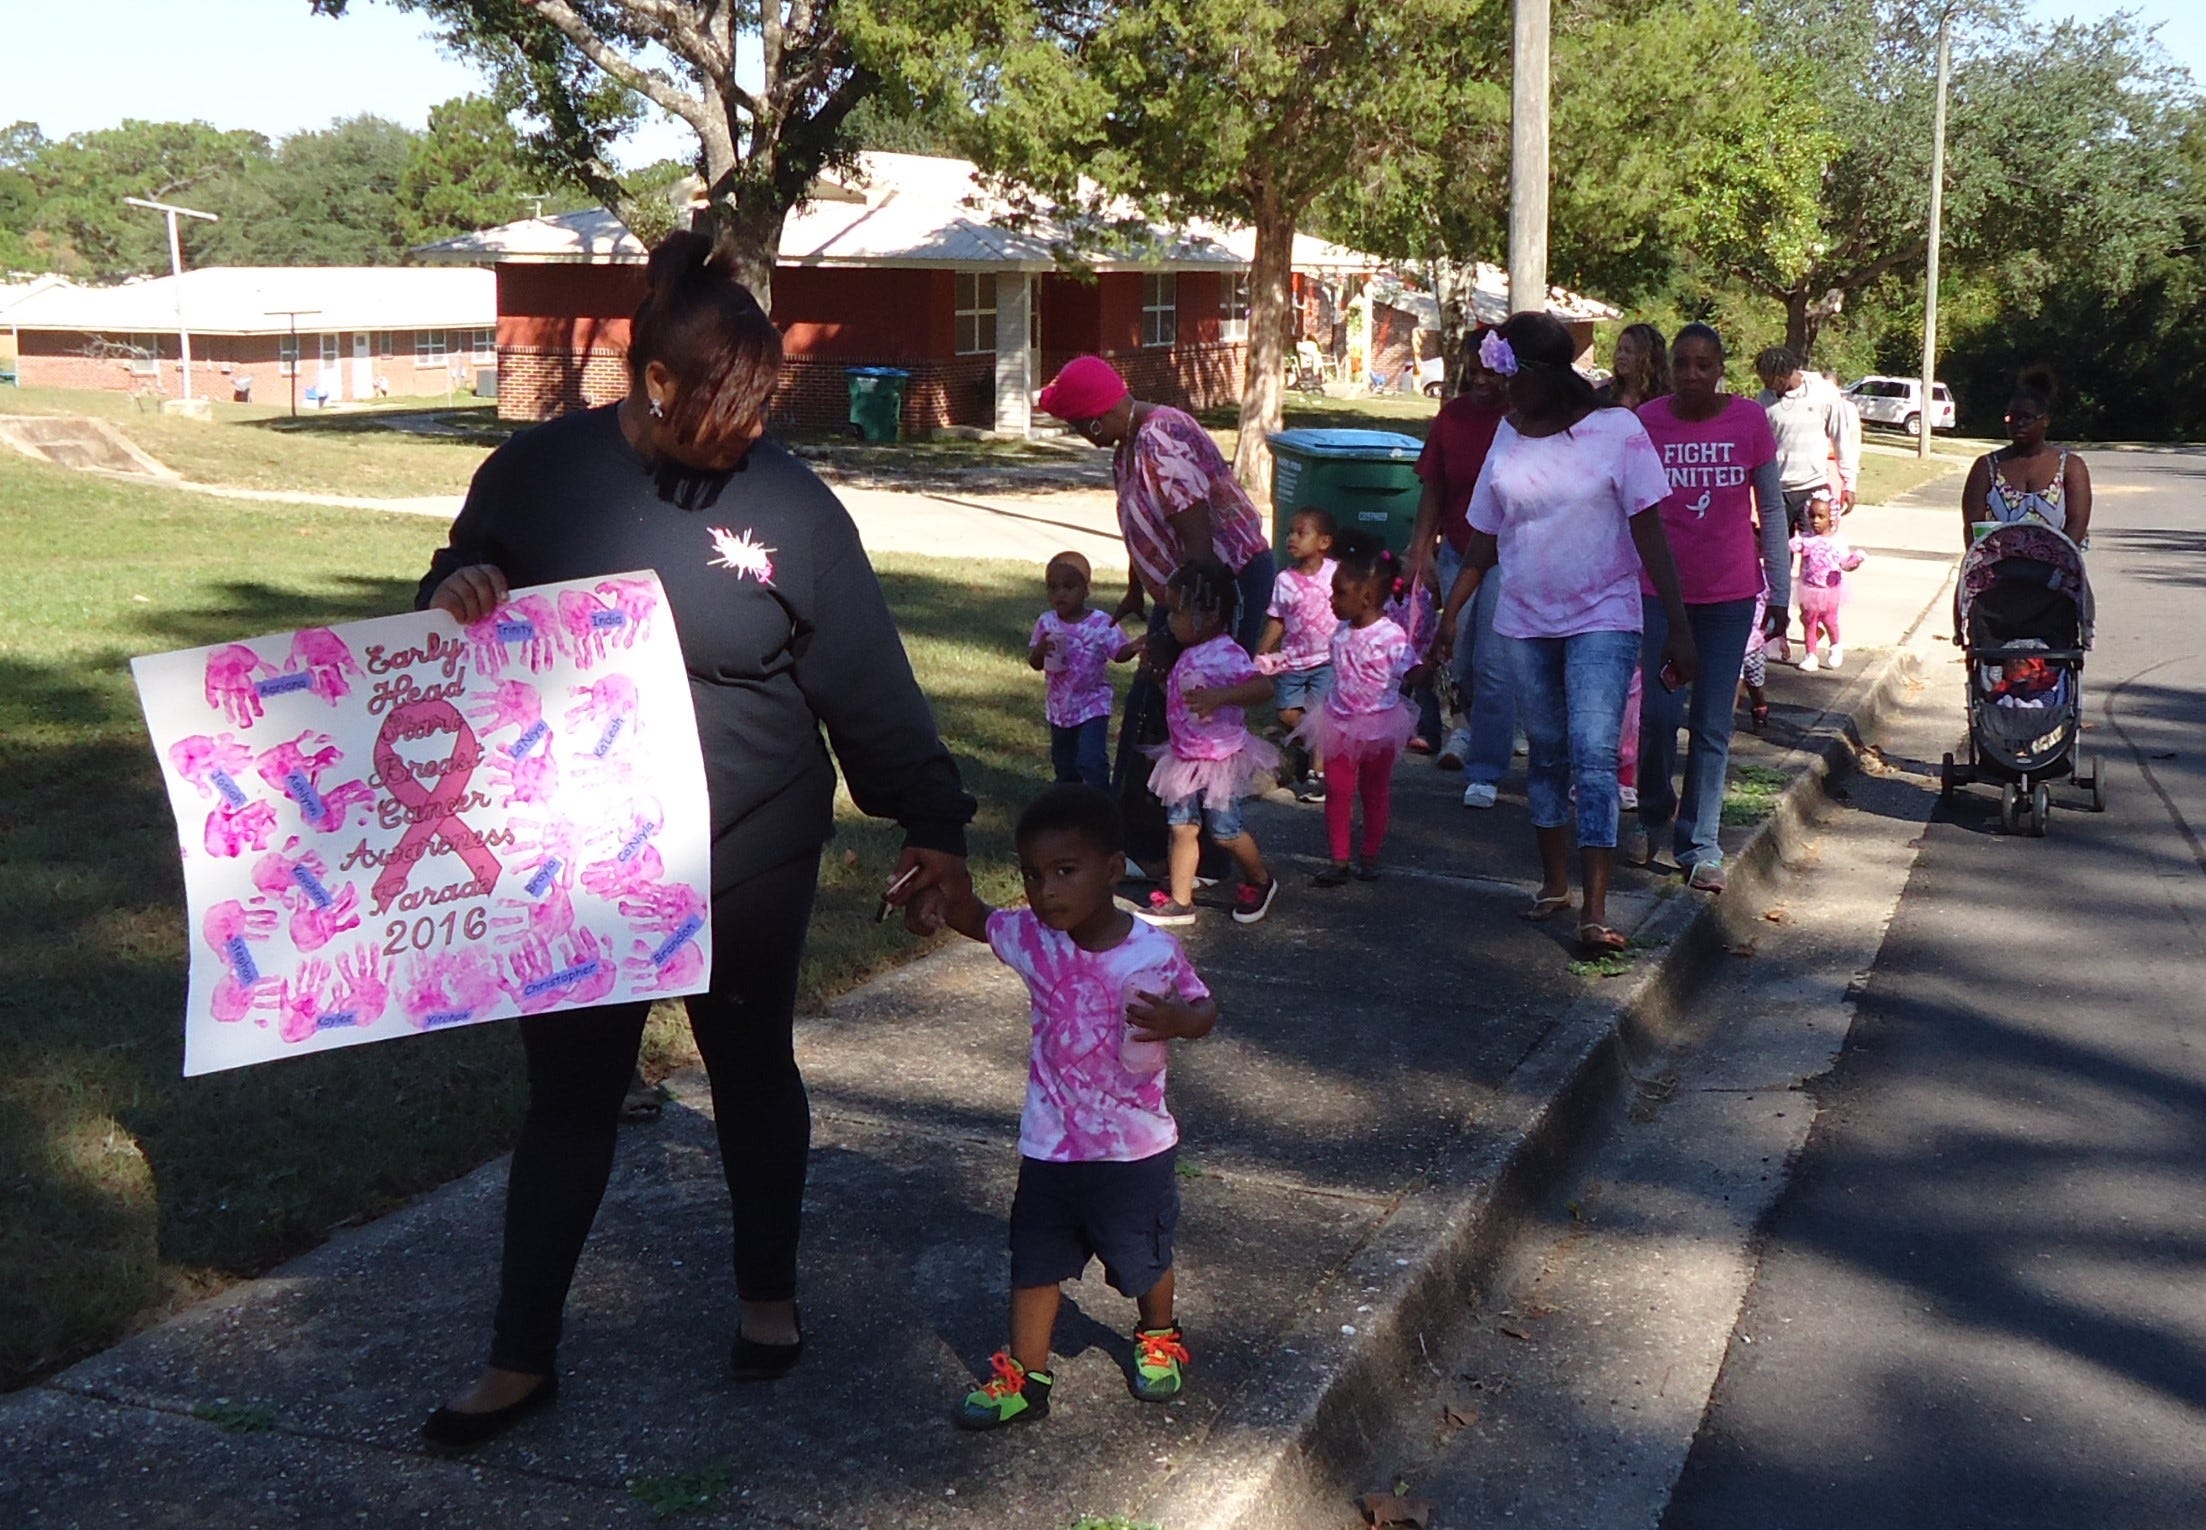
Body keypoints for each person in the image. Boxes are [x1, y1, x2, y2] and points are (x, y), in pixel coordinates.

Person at [412, 230, 977, 1447]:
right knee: (569, 1097)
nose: (742, 433)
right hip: (584, 853)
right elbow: (460, 578)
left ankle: (766, 1297)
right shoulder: (538, 473)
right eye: (718, 407)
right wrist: (452, 593)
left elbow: (864, 680)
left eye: (758, 408)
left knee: (748, 1063)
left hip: (749, 840)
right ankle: (520, 1355)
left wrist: (930, 818)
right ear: (649, 380)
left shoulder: (793, 506)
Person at [906, 785, 1215, 1431]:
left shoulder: (1154, 950)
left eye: (1065, 872)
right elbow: (977, 918)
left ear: (1112, 869)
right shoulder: (1034, 938)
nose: (1046, 891)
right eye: (1033, 875)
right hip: (1050, 1144)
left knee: (1143, 1259)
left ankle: (1158, 1333)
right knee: (1034, 1261)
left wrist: (1180, 1021)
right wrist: (935, 898)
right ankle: (1026, 1375)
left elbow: (1204, 1007)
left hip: (1134, 1150)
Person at [1439, 312, 1696, 958]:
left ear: (1542, 375)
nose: (1500, 390)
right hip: (1527, 619)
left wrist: (1679, 626)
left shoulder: (1617, 430)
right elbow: (1483, 536)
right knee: (1548, 751)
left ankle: (1596, 909)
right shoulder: (1509, 431)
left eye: (1508, 377)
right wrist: (1451, 613)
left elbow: (1649, 530)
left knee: (1593, 752)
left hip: (1604, 616)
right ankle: (1555, 883)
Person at [1035, 357, 1277, 873]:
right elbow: (1143, 522)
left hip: (1217, 589)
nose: (1081, 436)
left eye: (1079, 427)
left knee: (1192, 709)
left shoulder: (1159, 440)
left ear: (1097, 419)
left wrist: (1182, 634)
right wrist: (1136, 589)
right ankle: (1153, 845)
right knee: (1156, 705)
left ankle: (1205, 851)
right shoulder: (1128, 446)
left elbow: (1199, 544)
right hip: (1182, 594)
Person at [1628, 322, 1789, 892]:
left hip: (1728, 595)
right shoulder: (1648, 421)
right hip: (1656, 594)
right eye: (1682, 364)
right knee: (1658, 717)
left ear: (1722, 367)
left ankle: (1699, 843)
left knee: (1712, 723)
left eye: (1704, 364)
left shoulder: (1749, 420)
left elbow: (1771, 509)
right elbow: (1631, 509)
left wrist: (1782, 590)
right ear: (1669, 368)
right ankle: (1651, 813)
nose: (1692, 374)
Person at [1406, 325, 1517, 809]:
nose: (1481, 379)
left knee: (1493, 660)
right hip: (1457, 548)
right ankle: (1463, 724)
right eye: (1473, 370)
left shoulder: (1519, 422)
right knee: (1459, 651)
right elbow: (1434, 486)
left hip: (1508, 554)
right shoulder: (1451, 418)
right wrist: (1419, 548)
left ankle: (1487, 766)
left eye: (1490, 370)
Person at [1139, 559, 1281, 927]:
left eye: (1178, 612)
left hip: (1218, 758)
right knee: (1181, 826)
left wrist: (1221, 697)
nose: (1171, 621)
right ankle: (1180, 902)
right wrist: (1158, 678)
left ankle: (1261, 879)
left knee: (1225, 829)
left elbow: (1262, 687)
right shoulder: (1186, 653)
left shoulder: (1226, 652)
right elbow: (1183, 702)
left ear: (1211, 614)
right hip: (1184, 757)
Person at [1293, 531, 1418, 885]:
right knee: (1337, 790)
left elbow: (1411, 667)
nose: (1331, 600)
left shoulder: (1391, 636)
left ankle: (1371, 854)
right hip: (1339, 722)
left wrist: (1431, 669)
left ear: (1365, 597)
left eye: (1339, 593)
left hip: (1379, 727)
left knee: (1374, 791)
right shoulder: (1341, 633)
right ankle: (1339, 859)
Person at [1596, 322, 1672, 813]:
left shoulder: (1660, 406)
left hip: (1646, 514)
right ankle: (1599, 764)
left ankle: (1630, 764)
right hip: (1604, 517)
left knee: (1643, 673)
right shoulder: (1601, 398)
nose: (1621, 357)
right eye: (1618, 348)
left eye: (1629, 350)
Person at [1031, 551, 1141, 792]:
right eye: (1053, 587)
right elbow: (1035, 663)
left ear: (1086, 589)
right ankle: (1069, 804)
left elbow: (1118, 652)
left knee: (1090, 760)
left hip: (1092, 704)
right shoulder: (1046, 622)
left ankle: (1101, 800)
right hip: (1060, 706)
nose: (1060, 593)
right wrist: (1040, 649)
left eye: (1069, 587)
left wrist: (1133, 647)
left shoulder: (1100, 622)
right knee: (1064, 763)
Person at [1256, 508, 1340, 801]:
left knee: (1321, 714)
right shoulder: (1284, 580)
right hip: (1293, 660)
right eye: (1290, 532)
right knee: (1287, 712)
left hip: (1327, 660)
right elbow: (1277, 618)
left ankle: (1318, 776)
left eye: (1301, 533)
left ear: (1324, 542)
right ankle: (1319, 743)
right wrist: (1264, 648)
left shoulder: (1335, 574)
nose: (1292, 538)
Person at [1961, 367, 2093, 548]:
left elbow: (2077, 526)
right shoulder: (1986, 468)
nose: (2019, 424)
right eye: (2012, 418)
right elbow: (1972, 529)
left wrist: (2051, 561)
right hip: (1997, 571)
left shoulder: (2070, 467)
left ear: (2045, 420)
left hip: (2058, 569)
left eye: (2027, 417)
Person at [1755, 346, 1859, 531]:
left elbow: (1842, 439)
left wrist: (1849, 484)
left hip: (1813, 488)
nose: (1767, 386)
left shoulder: (1824, 392)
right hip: (1777, 490)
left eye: (1769, 381)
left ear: (1783, 375)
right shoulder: (1764, 399)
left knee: (1816, 554)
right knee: (1778, 555)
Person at [1792, 493, 1865, 672]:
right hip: (1809, 588)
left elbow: (1844, 563)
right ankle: (1811, 655)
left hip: (1829, 589)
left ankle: (1835, 645)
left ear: (1831, 517)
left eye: (1821, 516)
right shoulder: (1806, 539)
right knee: (1809, 621)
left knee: (1830, 620)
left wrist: (1854, 562)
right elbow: (1790, 547)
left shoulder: (1837, 541)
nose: (1815, 520)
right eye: (1812, 516)